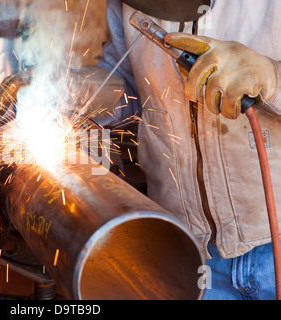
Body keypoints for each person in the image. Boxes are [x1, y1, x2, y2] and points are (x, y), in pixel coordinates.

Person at [98, 0, 281, 299]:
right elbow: (126, 78)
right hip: (188, 250)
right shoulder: (130, 3)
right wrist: (79, 92)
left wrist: (272, 75)